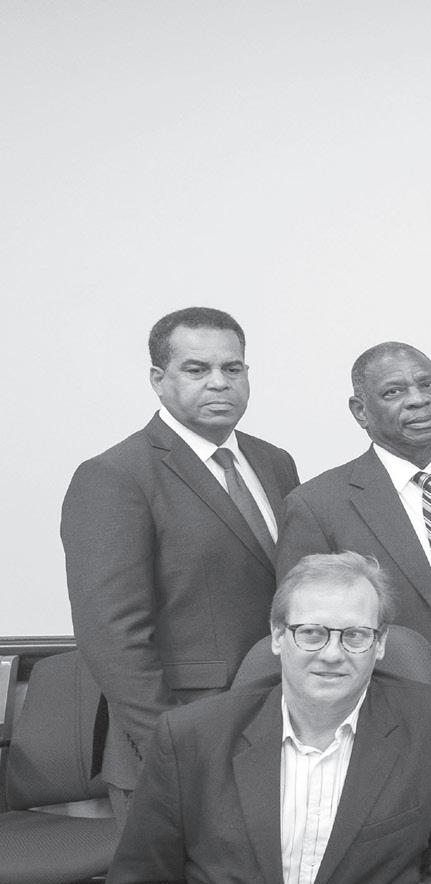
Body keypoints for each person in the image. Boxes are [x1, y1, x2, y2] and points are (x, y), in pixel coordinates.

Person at [100, 552, 431, 884]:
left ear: (380, 643)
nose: (332, 654)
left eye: (355, 635)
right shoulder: (192, 737)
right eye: (311, 633)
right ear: (277, 636)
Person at [275, 342, 431, 854]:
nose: (417, 399)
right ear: (360, 410)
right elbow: (304, 633)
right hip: (390, 726)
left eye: (427, 384)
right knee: (403, 867)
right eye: (394, 391)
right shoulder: (320, 505)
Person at [63, 307, 300, 830]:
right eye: (196, 369)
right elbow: (112, 635)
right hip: (179, 740)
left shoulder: (274, 462)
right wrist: (171, 746)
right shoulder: (115, 475)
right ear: (158, 379)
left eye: (232, 368)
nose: (219, 382)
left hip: (278, 728)